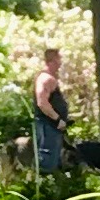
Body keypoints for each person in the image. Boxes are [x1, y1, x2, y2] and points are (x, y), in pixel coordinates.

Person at [29, 45, 74, 180]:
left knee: (55, 159)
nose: (60, 64)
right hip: (47, 126)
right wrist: (57, 119)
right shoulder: (45, 79)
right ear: (51, 61)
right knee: (46, 159)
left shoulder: (50, 79)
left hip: (53, 128)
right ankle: (43, 190)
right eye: (58, 60)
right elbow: (42, 102)